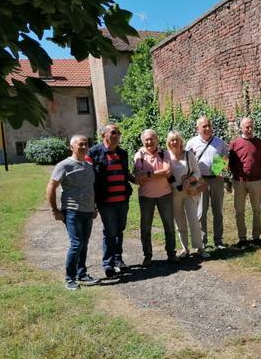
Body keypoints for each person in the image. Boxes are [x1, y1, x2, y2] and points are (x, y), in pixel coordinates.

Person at [47, 135, 100, 290]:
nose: (84, 147)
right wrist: (54, 210)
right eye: (80, 144)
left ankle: (82, 273)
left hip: (88, 211)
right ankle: (70, 278)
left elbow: (91, 189)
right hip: (72, 211)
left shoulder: (89, 165)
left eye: (86, 144)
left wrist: (94, 207)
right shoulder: (64, 165)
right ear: (72, 147)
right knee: (77, 244)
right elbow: (51, 187)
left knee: (84, 244)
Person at [87, 123, 134, 277]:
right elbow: (87, 176)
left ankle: (118, 259)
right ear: (104, 136)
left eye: (118, 132)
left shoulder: (122, 153)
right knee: (110, 232)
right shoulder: (94, 153)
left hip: (123, 200)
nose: (117, 135)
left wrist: (139, 179)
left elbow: (126, 173)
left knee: (119, 230)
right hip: (106, 201)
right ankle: (108, 264)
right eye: (114, 132)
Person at [133, 129, 176, 267]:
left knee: (169, 225)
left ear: (157, 139)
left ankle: (171, 254)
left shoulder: (165, 153)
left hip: (165, 194)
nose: (149, 142)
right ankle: (147, 256)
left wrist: (149, 174)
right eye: (146, 139)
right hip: (146, 197)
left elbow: (168, 171)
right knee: (145, 227)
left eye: (152, 139)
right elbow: (139, 177)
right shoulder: (138, 155)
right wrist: (158, 173)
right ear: (142, 141)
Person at [186, 116, 229, 249]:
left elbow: (225, 157)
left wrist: (222, 167)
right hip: (200, 181)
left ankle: (218, 240)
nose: (207, 128)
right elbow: (186, 162)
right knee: (201, 212)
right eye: (204, 126)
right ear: (197, 128)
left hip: (216, 180)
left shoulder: (219, 142)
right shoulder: (191, 143)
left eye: (209, 125)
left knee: (218, 211)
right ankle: (202, 241)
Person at [167, 130, 209, 259]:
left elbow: (197, 173)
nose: (175, 142)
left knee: (193, 220)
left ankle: (200, 247)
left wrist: (188, 180)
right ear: (169, 143)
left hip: (189, 192)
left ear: (181, 141)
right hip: (174, 193)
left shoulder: (188, 155)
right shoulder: (165, 156)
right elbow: (165, 174)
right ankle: (185, 248)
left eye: (177, 139)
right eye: (172, 140)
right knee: (179, 222)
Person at [228, 117, 261, 246]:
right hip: (239, 182)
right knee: (239, 211)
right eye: (246, 127)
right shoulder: (234, 143)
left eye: (251, 126)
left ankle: (256, 237)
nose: (249, 129)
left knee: (256, 210)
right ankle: (242, 238)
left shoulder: (259, 143)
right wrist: (230, 177)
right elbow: (229, 162)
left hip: (256, 181)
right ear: (241, 128)